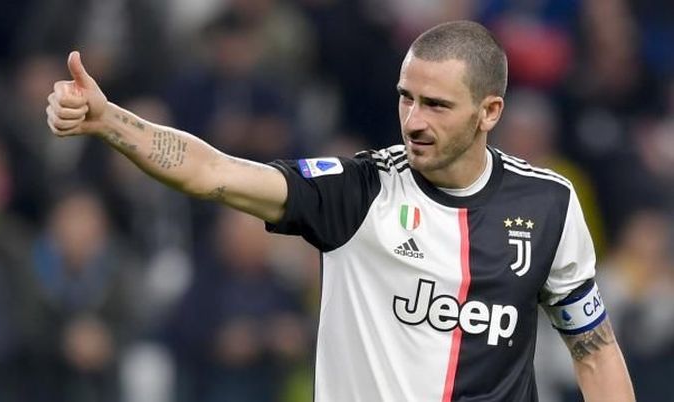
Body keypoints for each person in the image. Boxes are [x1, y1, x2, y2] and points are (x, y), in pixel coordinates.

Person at [46, 20, 634, 402]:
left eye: (436, 105)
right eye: (406, 98)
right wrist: (108, 119)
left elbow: (595, 349)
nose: (414, 121)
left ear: (490, 112)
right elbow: (212, 172)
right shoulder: (359, 191)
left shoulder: (548, 203)